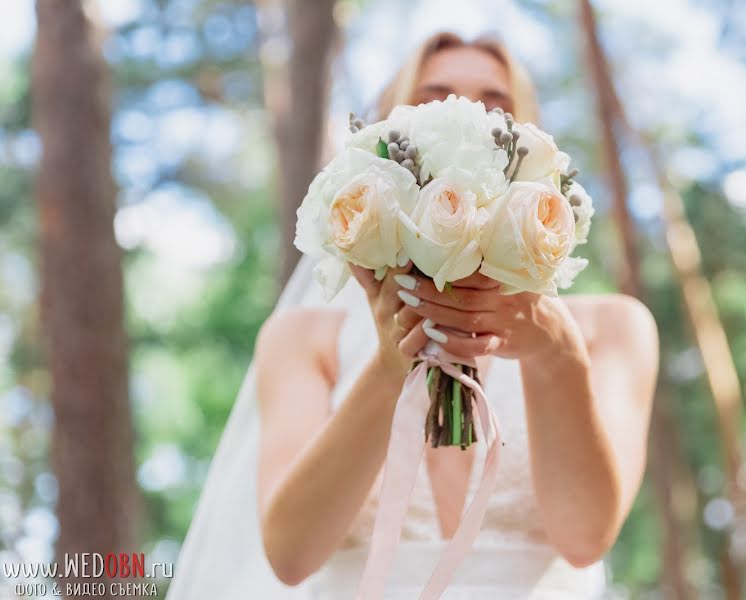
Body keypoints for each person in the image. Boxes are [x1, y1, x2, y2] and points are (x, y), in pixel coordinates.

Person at [167, 32, 658, 600]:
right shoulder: (303, 337)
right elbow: (291, 556)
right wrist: (386, 364)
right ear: (385, 139)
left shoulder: (612, 329)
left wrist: (558, 354)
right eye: (435, 96)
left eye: (497, 104)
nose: (473, 116)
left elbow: (584, 538)